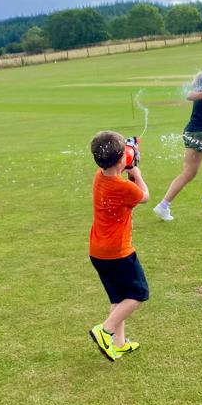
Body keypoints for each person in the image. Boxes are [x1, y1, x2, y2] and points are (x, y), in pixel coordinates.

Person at [88, 131, 150, 362]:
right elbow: (144, 195)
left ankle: (119, 344)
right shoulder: (126, 188)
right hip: (118, 253)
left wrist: (127, 163)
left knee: (118, 297)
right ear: (121, 160)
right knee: (137, 294)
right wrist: (137, 172)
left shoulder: (99, 176)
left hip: (98, 251)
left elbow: (115, 168)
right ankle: (104, 330)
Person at [152, 51, 202, 221]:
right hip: (197, 132)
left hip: (193, 133)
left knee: (188, 173)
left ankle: (163, 206)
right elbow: (189, 95)